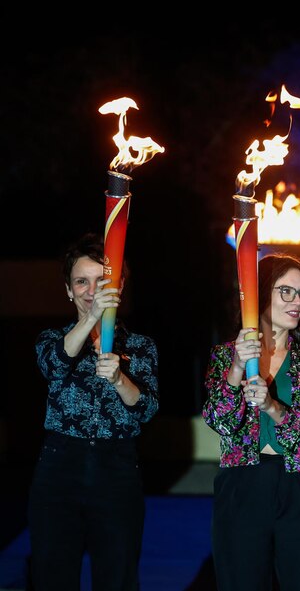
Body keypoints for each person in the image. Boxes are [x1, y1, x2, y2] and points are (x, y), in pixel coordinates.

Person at [29, 232, 160, 590]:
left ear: (118, 286)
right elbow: (53, 366)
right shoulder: (52, 340)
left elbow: (146, 408)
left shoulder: (138, 346)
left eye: (99, 282)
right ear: (68, 290)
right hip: (59, 468)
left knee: (117, 576)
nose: (90, 291)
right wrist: (91, 320)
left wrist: (119, 379)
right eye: (81, 282)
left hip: (116, 469)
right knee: (51, 575)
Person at [202, 252, 300, 591]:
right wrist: (235, 369)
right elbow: (219, 421)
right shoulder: (224, 355)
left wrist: (274, 407)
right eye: (286, 291)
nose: (298, 302)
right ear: (260, 294)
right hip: (242, 484)